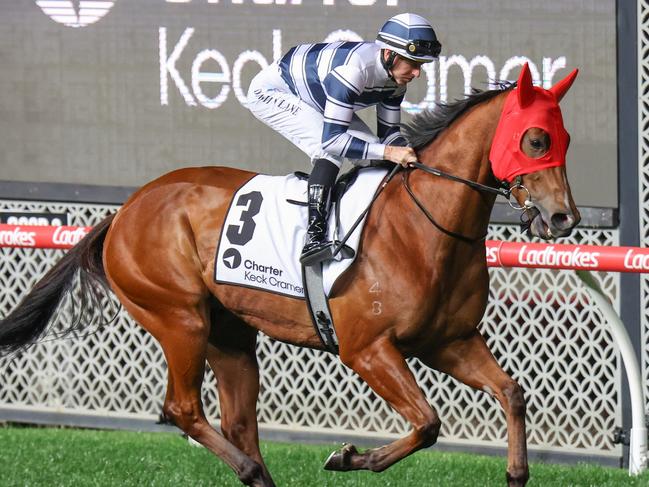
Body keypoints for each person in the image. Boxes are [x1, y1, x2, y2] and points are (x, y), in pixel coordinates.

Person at [247, 13, 441, 265]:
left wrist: (414, 155)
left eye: (421, 66)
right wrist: (390, 152)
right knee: (329, 151)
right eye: (412, 63)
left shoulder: (396, 82)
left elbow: (390, 136)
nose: (416, 73)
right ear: (389, 54)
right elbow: (333, 141)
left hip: (319, 94)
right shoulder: (353, 71)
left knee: (374, 160)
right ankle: (313, 238)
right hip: (276, 91)